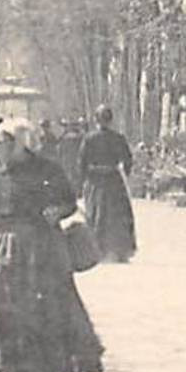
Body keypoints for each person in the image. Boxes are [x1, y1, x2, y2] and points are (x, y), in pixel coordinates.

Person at [0, 116, 104, 372]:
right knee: (15, 320)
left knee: (51, 314)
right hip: (8, 254)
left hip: (45, 251)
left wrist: (58, 211)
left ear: (19, 144)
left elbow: (70, 202)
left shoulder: (48, 170)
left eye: (2, 144)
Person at [78, 104, 137, 263]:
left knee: (97, 214)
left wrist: (84, 180)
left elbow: (82, 162)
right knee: (117, 215)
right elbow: (127, 160)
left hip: (96, 180)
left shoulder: (89, 139)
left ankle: (98, 249)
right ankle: (118, 249)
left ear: (96, 120)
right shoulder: (118, 138)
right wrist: (124, 173)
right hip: (112, 180)